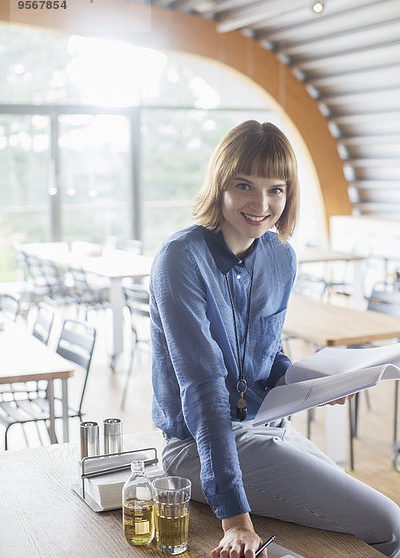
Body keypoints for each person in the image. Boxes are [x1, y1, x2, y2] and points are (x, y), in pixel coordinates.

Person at [150, 120, 400, 558]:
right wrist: (235, 520)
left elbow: (267, 355)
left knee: (365, 529)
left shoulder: (279, 256)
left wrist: (311, 383)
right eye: (244, 184)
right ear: (220, 184)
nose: (261, 204)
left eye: (276, 189)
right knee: (391, 525)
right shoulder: (180, 259)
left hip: (268, 428)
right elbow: (203, 389)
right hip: (196, 446)